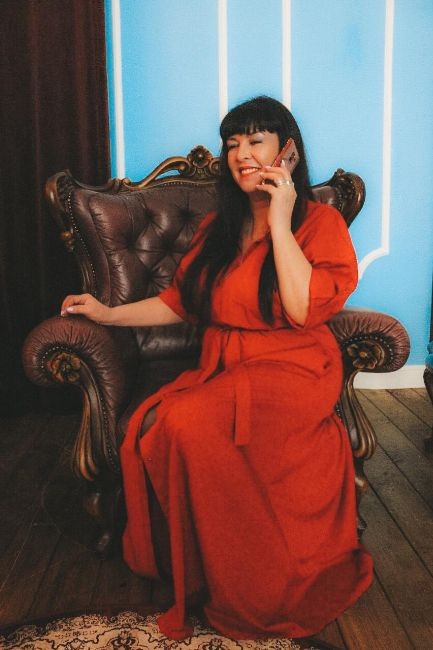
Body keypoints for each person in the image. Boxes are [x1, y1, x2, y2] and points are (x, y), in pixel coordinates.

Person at [61, 96, 373, 641]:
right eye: (233, 144)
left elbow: (302, 308)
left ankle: (252, 583)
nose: (241, 154)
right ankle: (203, 566)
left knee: (185, 423)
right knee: (158, 426)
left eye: (256, 141)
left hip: (294, 369)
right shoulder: (217, 229)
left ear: (288, 151)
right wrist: (107, 313)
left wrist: (281, 219)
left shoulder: (319, 222)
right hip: (227, 368)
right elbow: (180, 302)